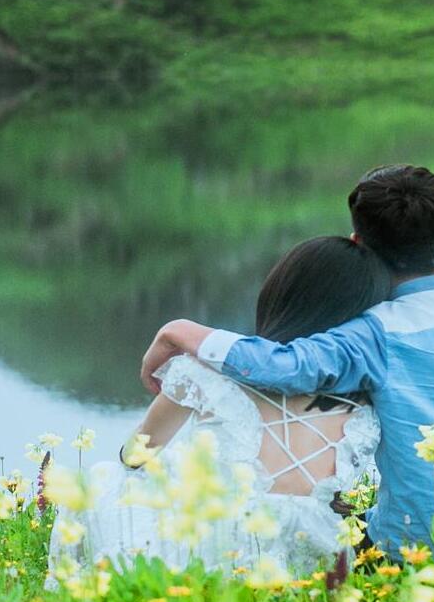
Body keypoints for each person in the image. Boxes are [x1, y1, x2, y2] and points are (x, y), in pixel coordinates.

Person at [137, 165, 434, 552]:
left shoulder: (374, 333)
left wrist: (179, 330)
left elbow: (283, 365)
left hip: (425, 545)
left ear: (358, 243)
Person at [50, 236, 390, 577]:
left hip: (225, 549)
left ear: (282, 293)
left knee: (105, 477)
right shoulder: (368, 401)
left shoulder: (204, 373)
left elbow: (135, 456)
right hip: (315, 555)